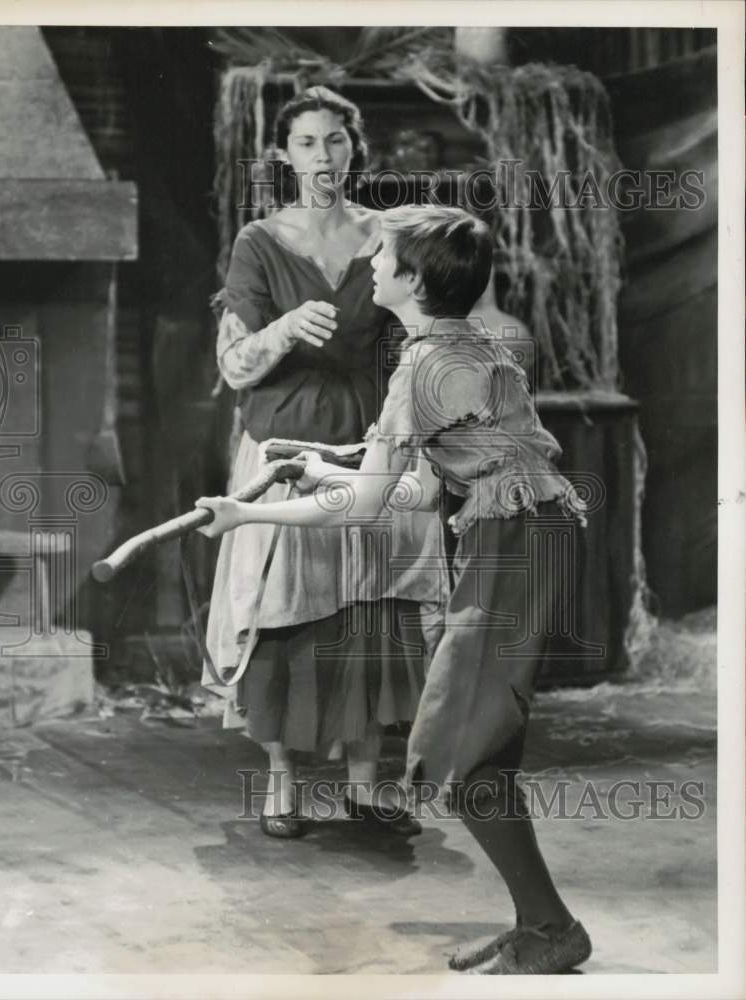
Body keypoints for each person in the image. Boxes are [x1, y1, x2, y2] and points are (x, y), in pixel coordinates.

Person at [196, 205, 593, 974]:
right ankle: (542, 925)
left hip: (512, 547)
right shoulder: (459, 346)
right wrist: (325, 464)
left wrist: (247, 511)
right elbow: (417, 487)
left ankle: (550, 931)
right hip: (528, 537)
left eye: (380, 255)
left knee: (457, 750)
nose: (367, 264)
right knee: (484, 750)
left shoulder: (420, 365)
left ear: (411, 281)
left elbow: (372, 503)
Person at [205, 86, 445, 839]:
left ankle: (366, 785)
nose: (322, 157)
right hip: (282, 442)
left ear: (354, 148)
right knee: (283, 613)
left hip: (371, 438)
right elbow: (236, 367)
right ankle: (281, 782)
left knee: (370, 612)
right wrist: (281, 327)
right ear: (284, 154)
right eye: (307, 143)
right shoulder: (259, 243)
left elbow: (419, 327)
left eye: (335, 141)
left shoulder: (386, 235)